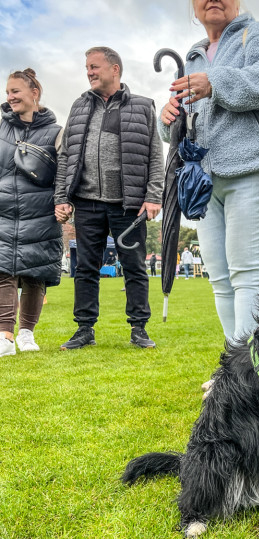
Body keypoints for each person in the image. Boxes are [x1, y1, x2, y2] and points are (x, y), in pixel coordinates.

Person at [159, 0, 259, 340]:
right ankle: (237, 369)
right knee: (219, 278)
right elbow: (188, 116)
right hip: (202, 180)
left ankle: (248, 374)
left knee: (247, 274)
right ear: (194, 4)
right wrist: (167, 117)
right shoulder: (194, 55)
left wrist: (215, 82)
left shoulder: (257, 34)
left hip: (250, 170)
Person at [54, 47, 164, 349]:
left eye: (94, 66)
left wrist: (154, 196)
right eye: (86, 67)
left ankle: (139, 328)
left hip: (128, 204)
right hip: (86, 202)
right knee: (85, 269)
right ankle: (84, 329)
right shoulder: (78, 106)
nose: (89, 72)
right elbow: (65, 155)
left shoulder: (142, 107)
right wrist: (61, 196)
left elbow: (156, 155)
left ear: (114, 69)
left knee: (134, 268)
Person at [0, 68, 62, 356]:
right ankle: (5, 336)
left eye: (15, 91)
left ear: (34, 93)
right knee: (3, 272)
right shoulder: (0, 127)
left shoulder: (56, 132)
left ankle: (27, 334)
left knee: (36, 272)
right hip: (3, 211)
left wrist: (65, 202)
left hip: (40, 213)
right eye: (7, 92)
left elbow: (65, 175)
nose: (10, 97)